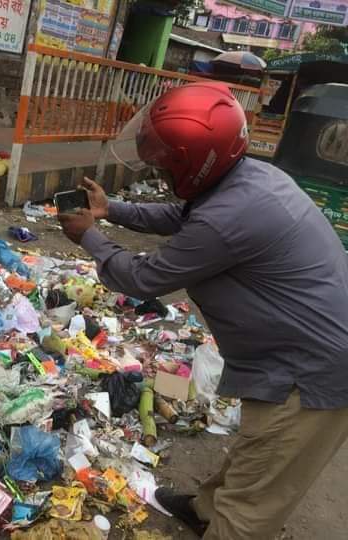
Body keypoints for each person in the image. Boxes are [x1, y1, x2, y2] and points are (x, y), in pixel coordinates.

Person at [58, 82, 348, 539]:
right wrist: (110, 209)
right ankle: (203, 510)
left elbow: (141, 279)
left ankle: (223, 522)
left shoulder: (228, 214)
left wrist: (89, 236)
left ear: (192, 164)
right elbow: (182, 217)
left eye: (164, 164)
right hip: (299, 354)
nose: (159, 169)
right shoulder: (248, 178)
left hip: (310, 375)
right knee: (257, 451)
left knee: (255, 496)